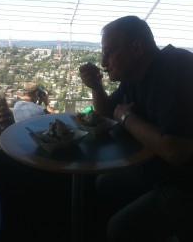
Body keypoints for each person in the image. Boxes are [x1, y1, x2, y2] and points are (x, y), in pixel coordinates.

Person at [79, 16, 193, 241]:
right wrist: (96, 86)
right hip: (153, 170)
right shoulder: (134, 76)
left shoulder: (178, 67)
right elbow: (106, 115)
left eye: (108, 52)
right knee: (102, 183)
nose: (103, 62)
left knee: (119, 229)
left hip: (182, 186)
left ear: (137, 48)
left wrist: (127, 118)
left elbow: (176, 151)